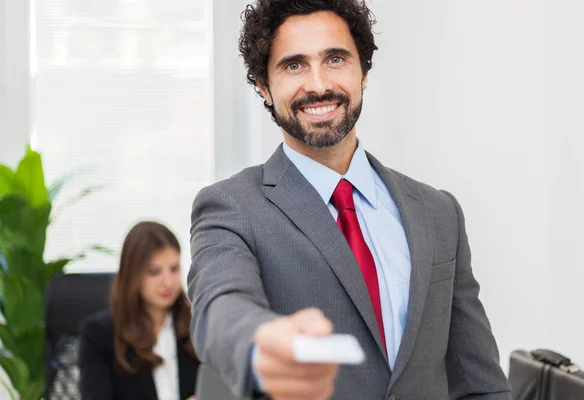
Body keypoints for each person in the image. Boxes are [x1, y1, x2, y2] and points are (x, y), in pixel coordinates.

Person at [188, 0, 512, 399]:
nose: (319, 84)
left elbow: (479, 382)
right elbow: (219, 306)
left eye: (336, 59)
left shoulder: (439, 212)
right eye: (294, 65)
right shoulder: (231, 207)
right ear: (263, 86)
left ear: (364, 72)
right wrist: (261, 342)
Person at [79, 221, 199, 400]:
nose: (168, 282)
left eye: (174, 269)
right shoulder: (98, 336)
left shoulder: (196, 325)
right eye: (154, 272)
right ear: (133, 274)